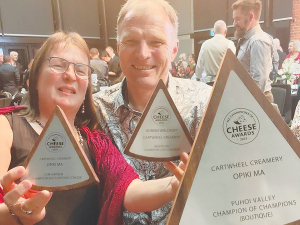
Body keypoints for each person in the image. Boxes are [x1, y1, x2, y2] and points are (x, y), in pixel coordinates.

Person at [0, 31, 188, 225]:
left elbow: (128, 190)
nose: (70, 75)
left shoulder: (94, 141)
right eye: (58, 65)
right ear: (36, 77)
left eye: (81, 70)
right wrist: (15, 214)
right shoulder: (7, 126)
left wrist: (174, 185)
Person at [93, 0, 212, 224]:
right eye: (131, 41)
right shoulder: (96, 110)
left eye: (156, 42)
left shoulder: (205, 103)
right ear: (118, 47)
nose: (143, 53)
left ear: (174, 49)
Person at [233, 0, 278, 103]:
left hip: (257, 100)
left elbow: (259, 81)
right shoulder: (247, 39)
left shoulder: (258, 41)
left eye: (237, 19)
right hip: (249, 96)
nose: (234, 23)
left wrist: (248, 104)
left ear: (250, 17)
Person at [195, 20, 236, 85]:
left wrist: (198, 77)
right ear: (226, 31)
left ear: (213, 31)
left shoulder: (205, 44)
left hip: (209, 83)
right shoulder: (230, 44)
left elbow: (199, 65)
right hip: (225, 83)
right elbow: (234, 65)